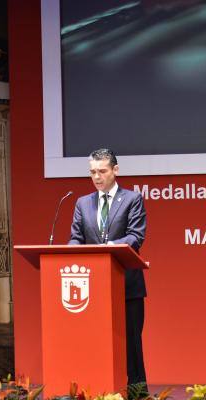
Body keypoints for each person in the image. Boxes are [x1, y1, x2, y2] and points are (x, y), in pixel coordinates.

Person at [69, 148, 148, 386]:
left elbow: (136, 236)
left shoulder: (132, 199)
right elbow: (75, 238)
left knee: (130, 346)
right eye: (92, 172)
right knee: (94, 345)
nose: (96, 177)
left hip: (126, 287)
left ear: (115, 170)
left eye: (101, 171)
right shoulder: (82, 203)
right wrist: (72, 251)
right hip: (92, 288)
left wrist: (110, 247)